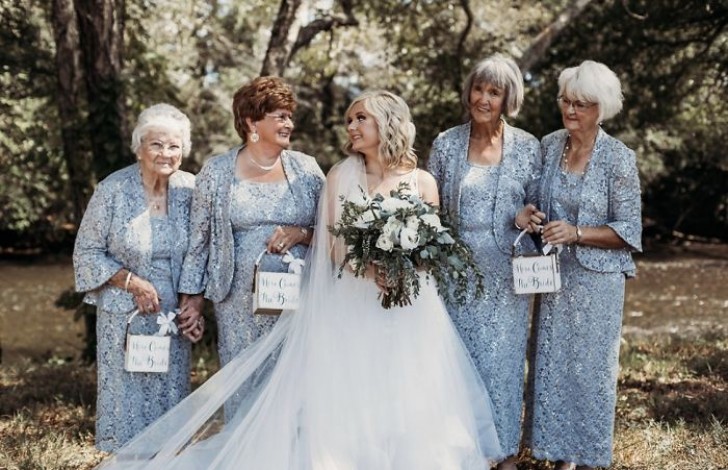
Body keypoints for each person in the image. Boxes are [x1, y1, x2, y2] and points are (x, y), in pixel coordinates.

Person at [95, 90, 503, 470]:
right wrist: (371, 268)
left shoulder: (422, 181)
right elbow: (333, 242)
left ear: (388, 122)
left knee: (411, 385)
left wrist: (403, 269)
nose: (352, 127)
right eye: (349, 120)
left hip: (411, 303)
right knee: (356, 386)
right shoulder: (340, 175)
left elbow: (432, 245)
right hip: (354, 297)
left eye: (361, 118)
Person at [522, 60, 642, 470]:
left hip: (599, 281)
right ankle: (560, 458)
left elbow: (629, 230)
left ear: (602, 108)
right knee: (553, 365)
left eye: (583, 104)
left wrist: (577, 232)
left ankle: (589, 457)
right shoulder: (550, 144)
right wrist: (532, 215)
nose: (571, 111)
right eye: (567, 101)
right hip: (554, 276)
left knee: (590, 372)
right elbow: (534, 195)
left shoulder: (619, 158)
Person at [428, 54, 541, 470]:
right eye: (479, 88)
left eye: (494, 92)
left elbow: (537, 204)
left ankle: (505, 453)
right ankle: (461, 454)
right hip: (453, 272)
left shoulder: (528, 147)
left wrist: (528, 216)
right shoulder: (446, 142)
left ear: (508, 98)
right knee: (455, 363)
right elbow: (429, 208)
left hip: (507, 273)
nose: (484, 98)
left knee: (503, 364)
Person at [177, 77, 325, 383]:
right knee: (244, 384)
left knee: (297, 384)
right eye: (280, 116)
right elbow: (199, 242)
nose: (290, 124)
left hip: (301, 297)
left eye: (290, 116)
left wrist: (300, 234)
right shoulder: (216, 172)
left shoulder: (307, 169)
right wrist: (192, 298)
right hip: (238, 304)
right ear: (251, 121)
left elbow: (332, 230)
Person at [73, 103, 202, 452]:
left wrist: (194, 302)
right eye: (156, 144)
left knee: (171, 398)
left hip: (171, 315)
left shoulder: (191, 189)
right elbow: (86, 252)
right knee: (126, 403)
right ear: (139, 147)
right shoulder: (112, 190)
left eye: (174, 146)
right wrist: (132, 282)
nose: (166, 153)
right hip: (125, 315)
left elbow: (201, 250)